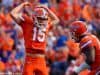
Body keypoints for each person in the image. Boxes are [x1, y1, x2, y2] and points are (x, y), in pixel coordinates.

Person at [10, 2, 59, 75]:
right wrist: (22, 5)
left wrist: (47, 9)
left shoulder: (46, 24)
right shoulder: (27, 22)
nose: (42, 22)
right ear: (34, 17)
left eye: (43, 19)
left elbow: (57, 20)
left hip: (41, 59)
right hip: (30, 59)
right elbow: (12, 14)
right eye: (40, 19)